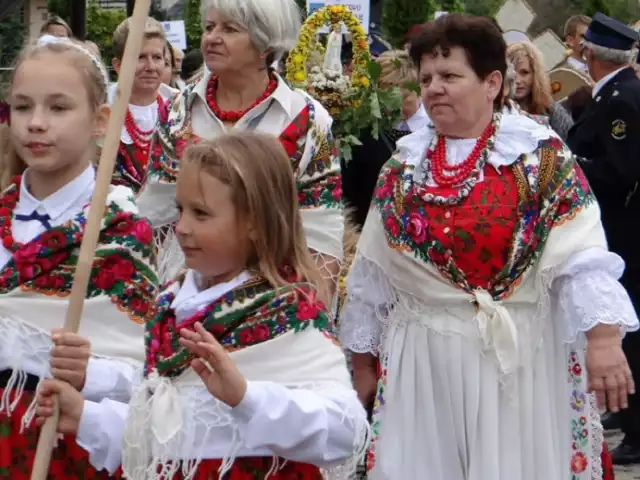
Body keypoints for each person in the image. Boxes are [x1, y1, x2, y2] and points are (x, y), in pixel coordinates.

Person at [340, 14, 638, 480]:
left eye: (450, 76)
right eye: (427, 78)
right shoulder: (402, 166)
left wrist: (602, 340)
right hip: (423, 359)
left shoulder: (540, 156)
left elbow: (581, 254)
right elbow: (372, 272)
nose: (434, 87)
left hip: (516, 360)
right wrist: (362, 364)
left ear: (492, 82)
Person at [35, 133, 368, 479]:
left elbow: (344, 430)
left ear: (255, 220)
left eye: (201, 213)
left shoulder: (289, 313)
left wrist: (247, 397)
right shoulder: (171, 304)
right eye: (180, 210)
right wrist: (91, 399)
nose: (181, 228)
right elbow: (170, 415)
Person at [0, 35, 157, 477]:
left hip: (68, 443)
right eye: (23, 106)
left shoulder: (119, 232)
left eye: (58, 107)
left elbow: (146, 370)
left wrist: (92, 370)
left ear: (100, 119)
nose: (36, 123)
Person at [138, 0, 342, 292]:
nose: (212, 38)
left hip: (273, 291)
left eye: (229, 29)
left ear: (265, 44)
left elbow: (322, 231)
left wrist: (308, 312)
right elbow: (154, 213)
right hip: (187, 287)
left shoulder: (308, 119)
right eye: (209, 27)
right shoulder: (177, 111)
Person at [567, 12, 640, 466]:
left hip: (624, 230)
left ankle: (637, 428)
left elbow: (622, 171)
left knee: (626, 326)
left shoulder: (621, 98)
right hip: (617, 227)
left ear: (588, 53)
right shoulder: (614, 93)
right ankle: (627, 411)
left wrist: (572, 171)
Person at [342, 49, 429, 230]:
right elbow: (349, 192)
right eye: (386, 99)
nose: (393, 109)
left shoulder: (436, 130)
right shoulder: (361, 132)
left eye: (404, 99)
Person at [108, 17, 178, 194]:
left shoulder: (182, 108)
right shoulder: (101, 112)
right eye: (140, 57)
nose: (151, 66)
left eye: (157, 57)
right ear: (118, 65)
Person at [507, 42, 574, 139]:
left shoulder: (551, 110)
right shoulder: (495, 112)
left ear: (535, 75)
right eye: (512, 73)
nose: (517, 80)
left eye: (524, 73)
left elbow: (573, 146)